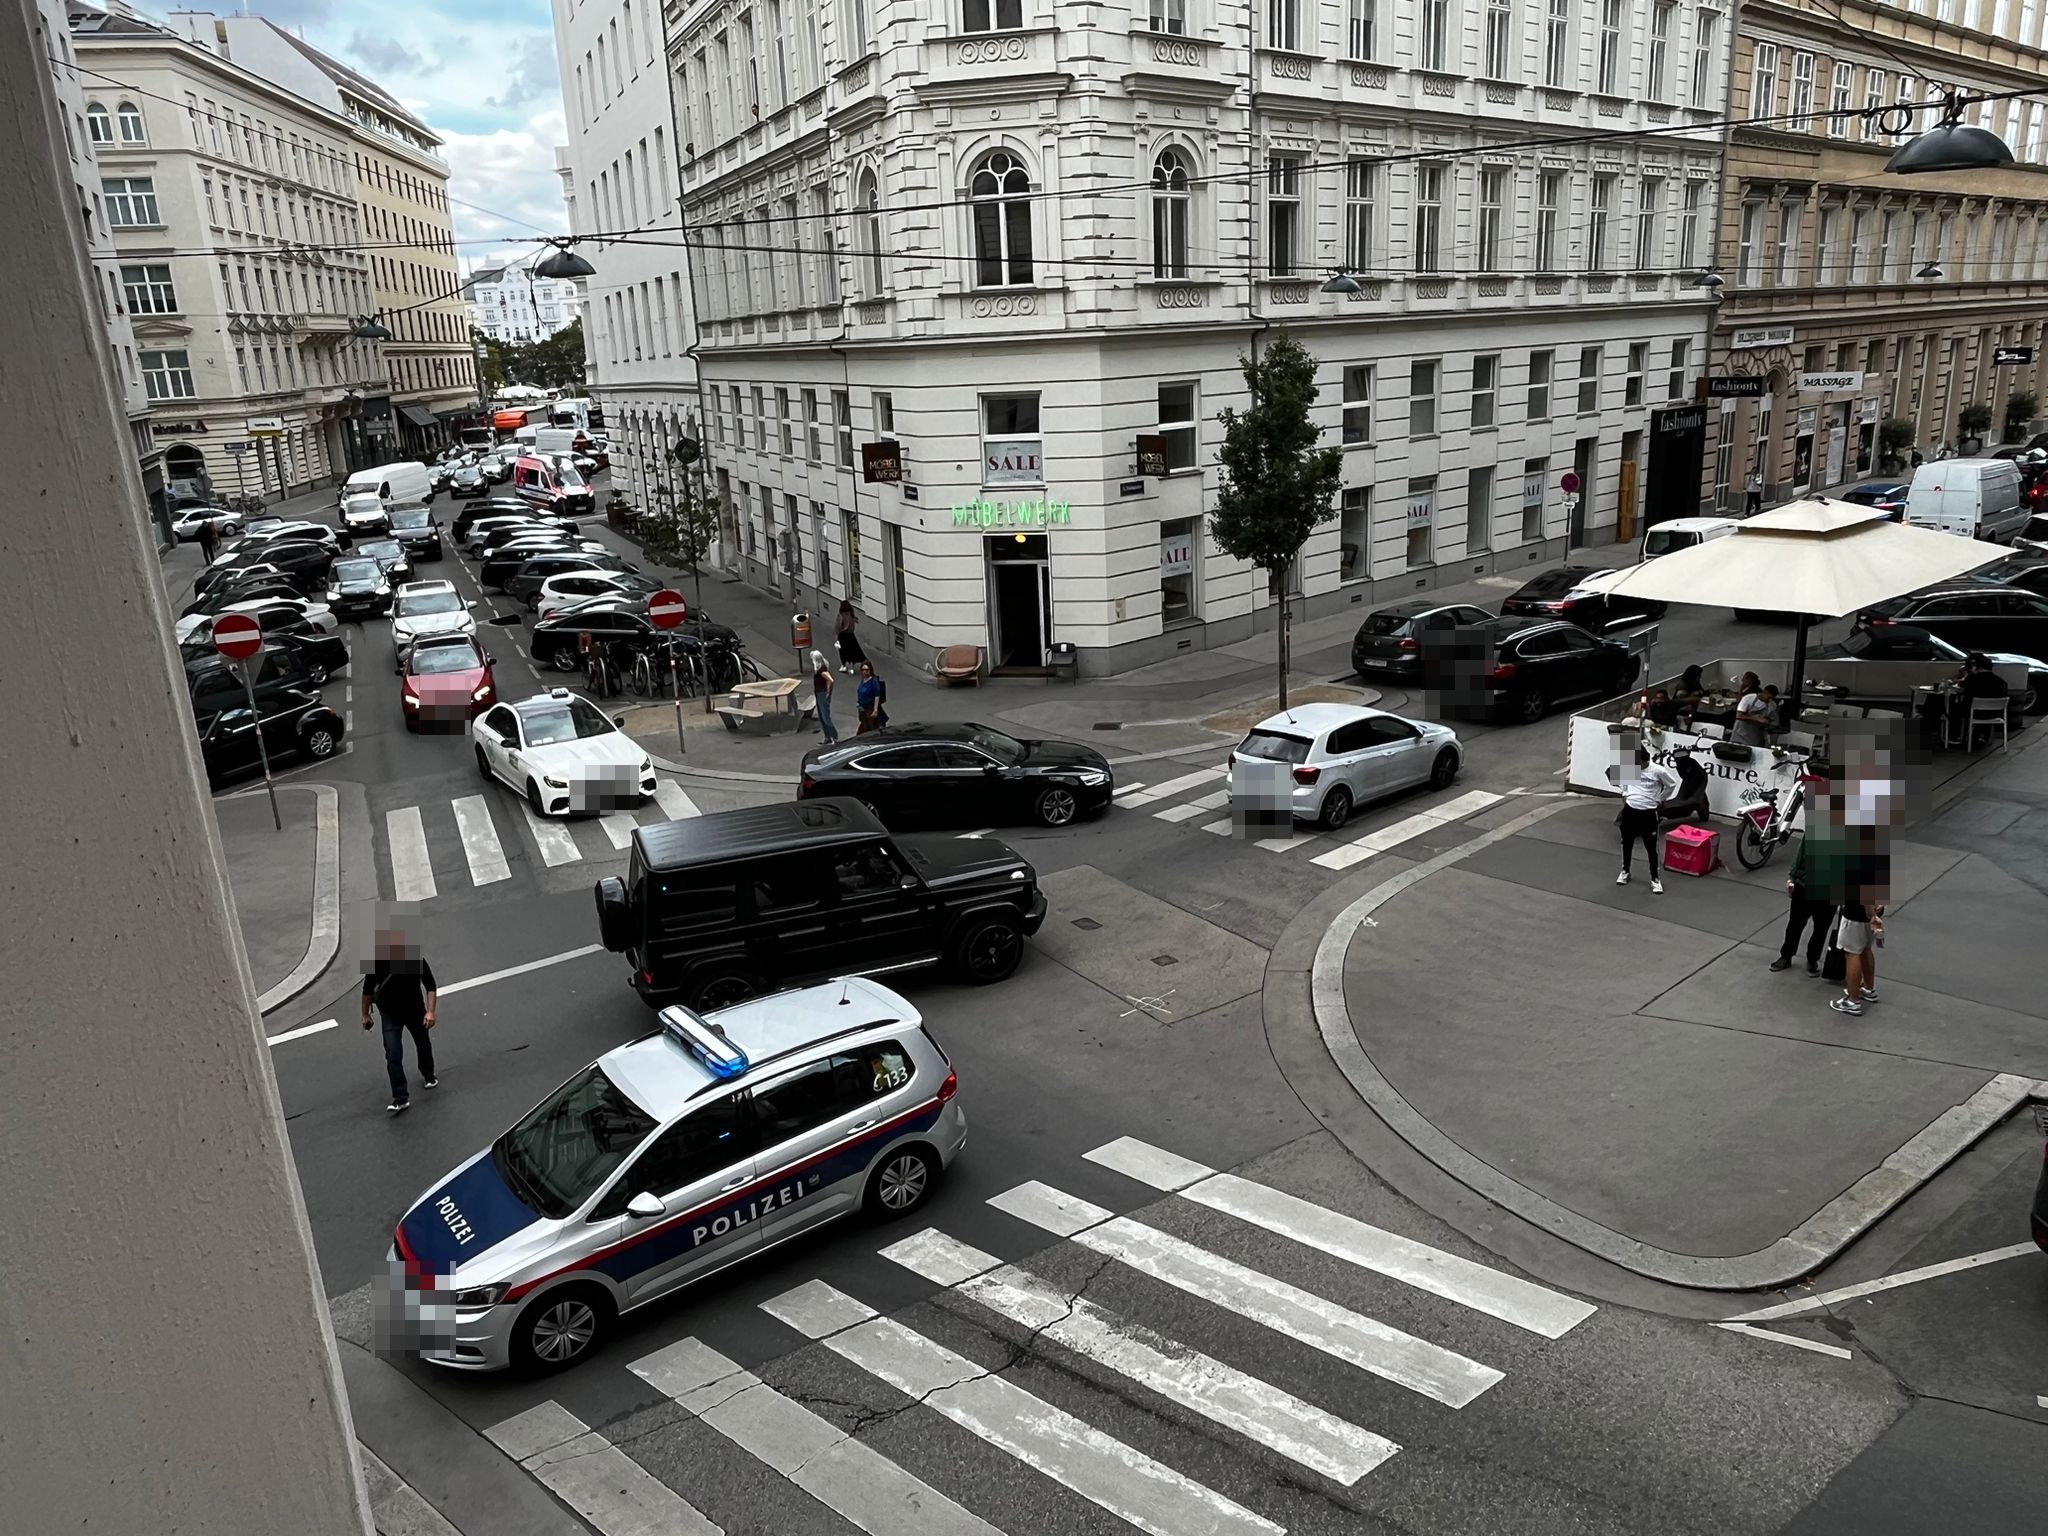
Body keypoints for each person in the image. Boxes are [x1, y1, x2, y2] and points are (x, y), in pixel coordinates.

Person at [360, 926, 438, 1114]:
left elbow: (430, 985)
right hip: (389, 1015)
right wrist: (365, 1014)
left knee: (423, 1044)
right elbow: (367, 990)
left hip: (415, 1011)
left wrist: (430, 1012)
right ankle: (400, 1097)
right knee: (392, 1054)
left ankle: (428, 1074)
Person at [1617, 746, 1680, 893]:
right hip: (1630, 810)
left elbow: (1671, 785)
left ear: (1643, 760)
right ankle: (1625, 871)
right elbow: (1622, 782)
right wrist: (1625, 794)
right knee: (1626, 843)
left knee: (1651, 847)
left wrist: (1659, 799)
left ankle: (1655, 879)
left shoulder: (1658, 771)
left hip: (1648, 813)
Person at [1772, 833, 1835, 976]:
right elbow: (1801, 853)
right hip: (1805, 884)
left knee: (1821, 927)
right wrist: (1792, 877)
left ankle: (1812, 959)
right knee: (1795, 924)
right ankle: (1786, 956)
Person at [1948, 652, 2009, 743]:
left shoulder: (1972, 679)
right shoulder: (2001, 682)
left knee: (1953, 708)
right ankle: (1983, 735)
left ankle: (1954, 736)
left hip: (1974, 712)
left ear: (1978, 666)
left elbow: (1961, 690)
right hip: (1995, 714)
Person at [1659, 744, 1711, 824]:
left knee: (1694, 799)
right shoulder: (1682, 765)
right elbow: (1683, 775)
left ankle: (1699, 805)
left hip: (1697, 784)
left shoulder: (1693, 765)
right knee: (1683, 799)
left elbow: (1702, 778)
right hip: (1688, 782)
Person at [1731, 671, 1772, 747]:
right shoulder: (1749, 690)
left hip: (1750, 731)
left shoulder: (1751, 693)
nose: (1742, 681)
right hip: (1746, 731)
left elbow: (1739, 703)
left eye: (1744, 679)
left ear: (1749, 681)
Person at [811, 648, 838, 744]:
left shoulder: (821, 669)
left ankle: (834, 736)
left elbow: (830, 680)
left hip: (821, 694)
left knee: (825, 717)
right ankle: (827, 736)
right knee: (822, 717)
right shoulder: (821, 667)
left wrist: (828, 693)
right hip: (819, 693)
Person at [855, 660, 888, 734]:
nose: (864, 672)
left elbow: (877, 695)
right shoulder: (863, 679)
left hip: (870, 709)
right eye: (862, 670)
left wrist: (875, 710)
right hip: (863, 709)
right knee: (864, 728)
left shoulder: (873, 681)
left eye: (866, 670)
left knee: (871, 729)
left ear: (870, 670)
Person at [835, 600, 866, 668]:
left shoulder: (841, 615)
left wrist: (837, 635)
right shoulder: (851, 614)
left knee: (842, 651)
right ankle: (854, 662)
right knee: (854, 649)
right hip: (851, 635)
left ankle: (844, 665)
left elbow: (838, 626)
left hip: (843, 635)